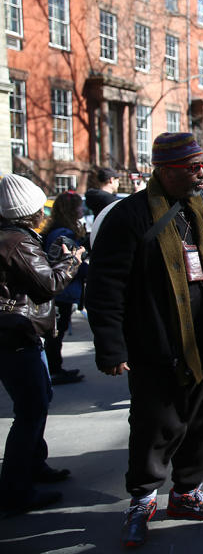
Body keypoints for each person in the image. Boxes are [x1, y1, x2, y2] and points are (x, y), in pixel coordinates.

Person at [86, 132, 203, 547]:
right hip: (155, 345)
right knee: (155, 425)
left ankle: (187, 492)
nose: (202, 173)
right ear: (166, 171)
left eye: (202, 165)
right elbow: (105, 286)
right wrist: (111, 347)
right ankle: (141, 499)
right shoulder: (129, 216)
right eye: (193, 168)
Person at [0, 174, 83, 516]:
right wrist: (72, 262)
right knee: (31, 409)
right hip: (16, 334)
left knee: (36, 403)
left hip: (16, 332)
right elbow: (47, 284)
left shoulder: (13, 238)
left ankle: (35, 465)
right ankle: (16, 490)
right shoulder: (18, 240)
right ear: (30, 211)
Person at [40, 192, 88, 385]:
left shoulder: (59, 230)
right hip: (62, 292)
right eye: (78, 207)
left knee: (56, 333)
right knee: (56, 333)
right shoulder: (64, 234)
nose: (82, 210)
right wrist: (86, 268)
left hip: (62, 291)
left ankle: (55, 368)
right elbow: (67, 263)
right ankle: (54, 370)